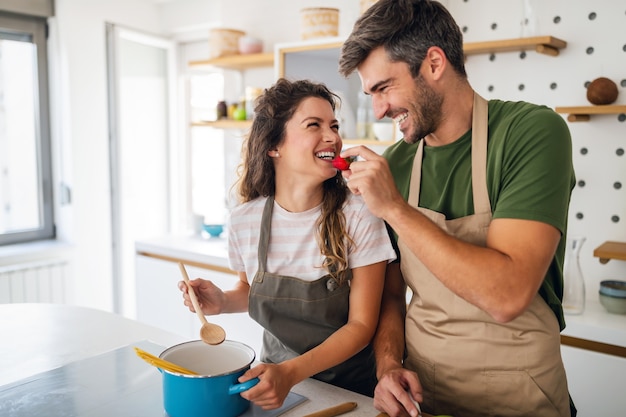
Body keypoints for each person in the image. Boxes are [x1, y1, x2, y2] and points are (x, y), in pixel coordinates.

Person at [337, 1, 576, 416]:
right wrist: (389, 366)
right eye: (370, 94)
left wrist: (395, 208)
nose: (378, 111)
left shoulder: (531, 133)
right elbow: (392, 296)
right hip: (423, 398)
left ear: (433, 63)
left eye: (384, 88)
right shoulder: (395, 163)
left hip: (521, 396)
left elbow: (507, 294)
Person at [179, 78, 396, 410]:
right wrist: (222, 300)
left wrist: (290, 372)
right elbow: (249, 289)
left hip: (352, 392)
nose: (333, 137)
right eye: (314, 125)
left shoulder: (360, 214)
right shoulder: (244, 221)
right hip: (274, 384)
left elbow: (362, 325)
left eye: (334, 126)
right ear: (274, 146)